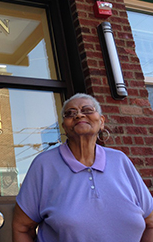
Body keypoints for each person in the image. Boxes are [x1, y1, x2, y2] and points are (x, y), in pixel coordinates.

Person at [12, 93, 153, 242]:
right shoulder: (44, 165)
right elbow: (22, 228)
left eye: (87, 110)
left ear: (102, 121)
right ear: (64, 127)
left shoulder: (120, 160)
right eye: (70, 113)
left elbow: (150, 222)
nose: (79, 115)